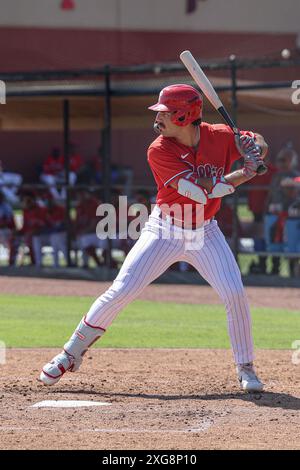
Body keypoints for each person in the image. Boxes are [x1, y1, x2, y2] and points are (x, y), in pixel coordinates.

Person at [40, 84, 268, 392]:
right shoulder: (159, 149)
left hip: (205, 232)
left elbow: (261, 144)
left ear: (185, 116)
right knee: (121, 290)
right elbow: (202, 192)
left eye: (165, 113)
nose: (158, 119)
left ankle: (246, 368)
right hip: (164, 229)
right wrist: (246, 172)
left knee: (235, 294)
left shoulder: (220, 135)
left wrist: (252, 146)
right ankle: (70, 354)